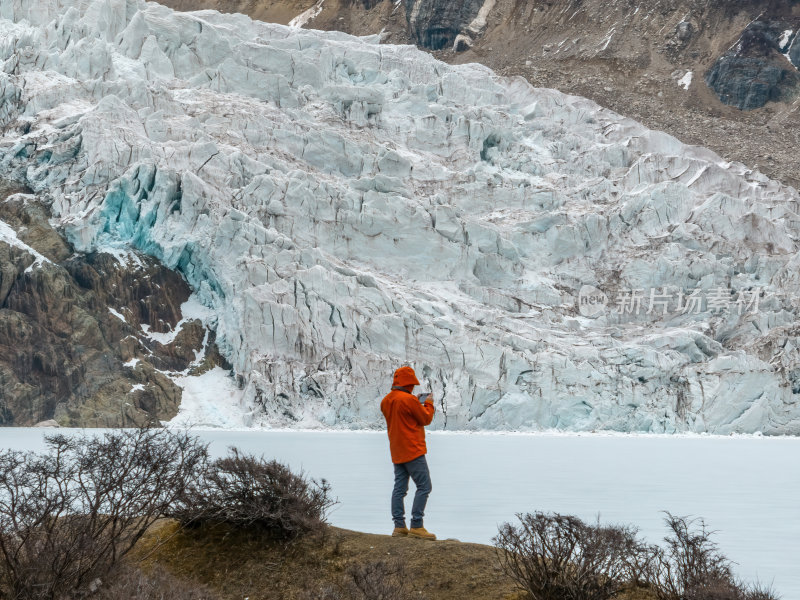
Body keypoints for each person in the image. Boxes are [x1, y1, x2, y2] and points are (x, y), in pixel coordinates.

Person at [380, 365, 436, 540]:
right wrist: (428, 403)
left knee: (399, 488)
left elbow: (403, 416)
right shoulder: (409, 400)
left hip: (397, 451)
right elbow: (425, 418)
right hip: (413, 450)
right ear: (409, 383)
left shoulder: (386, 400)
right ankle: (417, 526)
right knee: (424, 486)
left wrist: (415, 402)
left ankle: (399, 526)